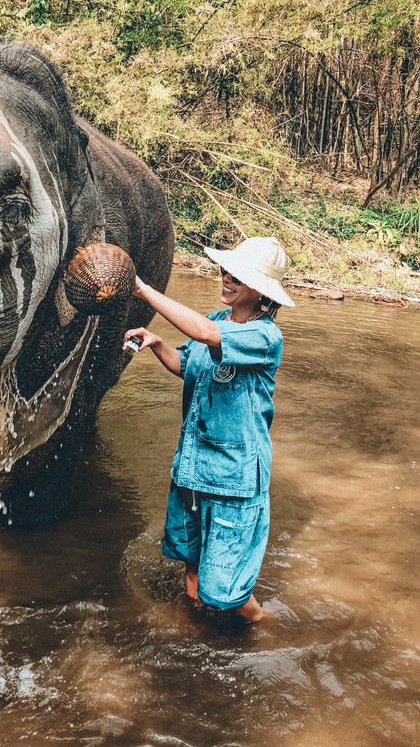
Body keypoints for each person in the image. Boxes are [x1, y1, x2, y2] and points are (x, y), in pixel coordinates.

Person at [123, 236, 295, 623]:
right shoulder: (217, 320)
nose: (227, 277)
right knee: (192, 564)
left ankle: (269, 627)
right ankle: (194, 627)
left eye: (239, 275)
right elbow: (187, 364)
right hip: (193, 467)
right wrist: (157, 343)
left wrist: (144, 290)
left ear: (261, 291)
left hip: (233, 476)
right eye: (225, 270)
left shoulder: (265, 336)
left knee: (229, 593)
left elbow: (205, 336)